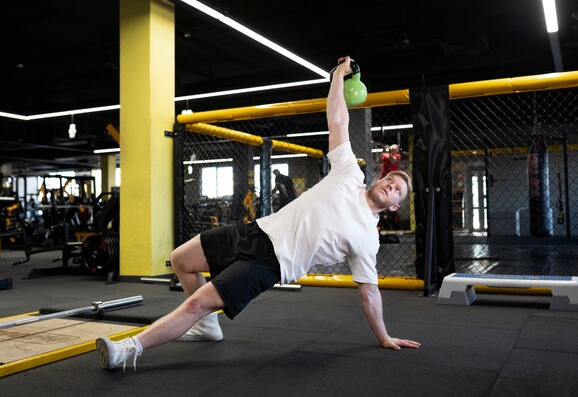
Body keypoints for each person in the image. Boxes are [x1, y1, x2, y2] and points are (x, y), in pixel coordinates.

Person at [95, 56, 420, 371]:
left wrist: (383, 336)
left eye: (397, 189)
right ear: (379, 177)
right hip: (256, 231)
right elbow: (338, 120)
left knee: (194, 304)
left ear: (394, 206)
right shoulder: (349, 174)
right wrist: (337, 76)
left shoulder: (366, 237)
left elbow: (370, 293)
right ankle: (207, 326)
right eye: (390, 178)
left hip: (271, 263)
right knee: (181, 259)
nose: (391, 184)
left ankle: (128, 350)